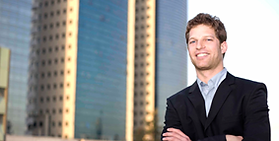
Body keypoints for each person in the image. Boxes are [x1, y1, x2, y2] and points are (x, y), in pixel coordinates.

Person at [161, 13, 270, 141]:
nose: (199, 46)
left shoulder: (252, 92)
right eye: (193, 41)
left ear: (223, 47)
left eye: (207, 39)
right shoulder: (176, 103)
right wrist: (225, 139)